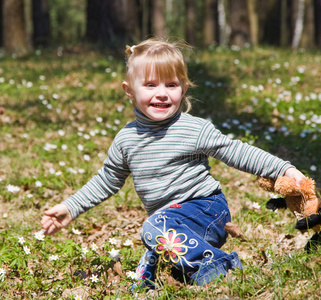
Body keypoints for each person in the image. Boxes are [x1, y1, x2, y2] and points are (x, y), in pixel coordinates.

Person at [41, 38, 305, 291]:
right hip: (169, 221)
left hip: (205, 209)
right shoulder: (126, 139)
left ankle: (219, 264)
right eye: (150, 85)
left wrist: (283, 169)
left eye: (171, 85)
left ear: (184, 89)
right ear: (129, 91)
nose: (162, 94)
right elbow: (107, 180)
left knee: (153, 229)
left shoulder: (193, 129)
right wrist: (71, 207)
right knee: (148, 272)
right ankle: (184, 271)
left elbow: (237, 151)